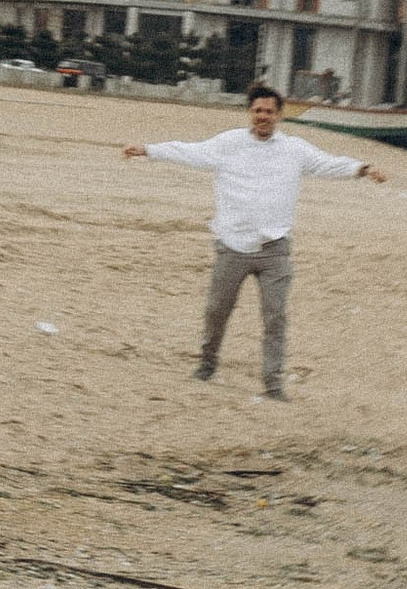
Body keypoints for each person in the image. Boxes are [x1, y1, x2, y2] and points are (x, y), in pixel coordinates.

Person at [123, 83, 385, 396]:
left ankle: (273, 385)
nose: (263, 117)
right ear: (250, 112)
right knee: (217, 310)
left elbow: (326, 163)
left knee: (275, 317)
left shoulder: (294, 149)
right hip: (233, 245)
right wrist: (149, 150)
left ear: (279, 116)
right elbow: (190, 151)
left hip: (276, 249)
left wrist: (362, 168)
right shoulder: (229, 143)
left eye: (269, 112)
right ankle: (207, 364)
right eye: (258, 111)